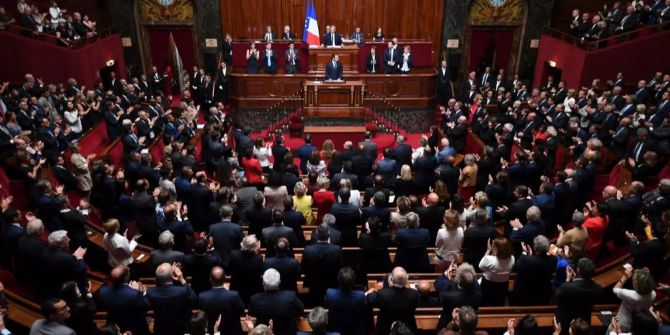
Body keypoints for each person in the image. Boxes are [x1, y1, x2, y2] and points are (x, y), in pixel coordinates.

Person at [249, 268, 305, 335]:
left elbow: (251, 313)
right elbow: (301, 310)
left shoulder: (255, 299)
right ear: (279, 282)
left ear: (263, 284)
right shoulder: (290, 297)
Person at [146, 263, 197, 335]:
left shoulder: (150, 293)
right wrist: (181, 279)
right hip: (180, 329)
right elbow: (193, 298)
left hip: (161, 329)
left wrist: (170, 275)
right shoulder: (182, 291)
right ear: (171, 275)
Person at [555, 258, 603, 334]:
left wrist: (567, 280)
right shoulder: (599, 289)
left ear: (578, 270)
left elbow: (558, 295)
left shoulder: (567, 287)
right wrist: (575, 281)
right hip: (585, 321)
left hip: (568, 320)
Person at [367, 267, 420, 335]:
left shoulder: (382, 294)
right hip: (407, 330)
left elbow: (369, 298)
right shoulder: (414, 294)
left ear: (391, 279)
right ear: (407, 279)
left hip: (386, 330)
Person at [302, 223, 343, 305]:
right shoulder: (336, 249)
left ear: (316, 233)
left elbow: (303, 268)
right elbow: (340, 267)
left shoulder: (308, 249)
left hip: (313, 283)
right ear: (329, 234)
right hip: (331, 283)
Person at [198, 266, 245, 335]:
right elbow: (242, 312)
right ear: (225, 278)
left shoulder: (202, 297)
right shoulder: (234, 295)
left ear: (210, 279)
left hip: (211, 332)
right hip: (232, 332)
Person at [435, 263, 482, 330]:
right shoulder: (478, 295)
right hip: (468, 322)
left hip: (450, 321)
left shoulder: (449, 296)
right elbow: (472, 280)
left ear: (459, 281)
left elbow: (438, 286)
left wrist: (448, 278)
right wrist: (460, 272)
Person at [513, 235, 557, 306]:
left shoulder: (525, 260)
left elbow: (517, 266)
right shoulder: (553, 260)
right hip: (544, 292)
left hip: (527, 292)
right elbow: (552, 253)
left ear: (534, 247)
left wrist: (524, 252)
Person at [42, 230, 87, 299]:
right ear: (60, 244)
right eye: (66, 239)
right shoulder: (66, 258)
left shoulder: (46, 251)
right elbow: (82, 268)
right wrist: (80, 257)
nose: (69, 239)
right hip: (68, 283)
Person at [612, 267, 657, 333]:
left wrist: (625, 276)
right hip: (638, 323)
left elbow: (615, 289)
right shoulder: (653, 294)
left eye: (634, 280)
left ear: (637, 285)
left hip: (623, 323)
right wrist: (645, 277)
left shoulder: (629, 295)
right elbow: (646, 285)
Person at [324, 267, 366, 335]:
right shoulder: (360, 296)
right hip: (354, 329)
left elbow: (326, 304)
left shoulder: (329, 293)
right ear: (353, 281)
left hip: (335, 327)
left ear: (338, 280)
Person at [228, 235, 264, 305]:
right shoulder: (259, 258)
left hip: (237, 288)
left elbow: (229, 270)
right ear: (255, 247)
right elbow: (259, 274)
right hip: (253, 290)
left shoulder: (233, 254)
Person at [479, 237, 515, 306]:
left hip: (488, 287)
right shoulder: (512, 259)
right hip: (503, 287)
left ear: (498, 249)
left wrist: (488, 250)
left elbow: (481, 266)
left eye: (493, 246)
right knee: (499, 302)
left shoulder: (489, 259)